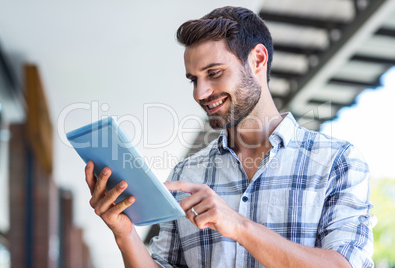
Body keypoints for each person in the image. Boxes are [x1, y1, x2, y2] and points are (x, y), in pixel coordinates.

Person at [85, 6, 376, 268]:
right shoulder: (188, 173)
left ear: (258, 60)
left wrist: (237, 224)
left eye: (214, 73)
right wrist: (124, 234)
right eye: (194, 79)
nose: (200, 93)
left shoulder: (336, 161)